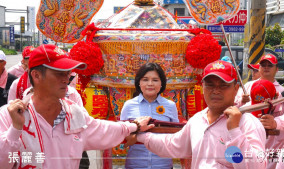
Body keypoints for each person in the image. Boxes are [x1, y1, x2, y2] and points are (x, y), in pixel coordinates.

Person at [0, 44, 154, 169]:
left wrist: (134, 126)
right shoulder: (7, 117)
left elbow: (105, 129)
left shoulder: (75, 115)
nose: (67, 79)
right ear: (36, 75)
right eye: (59, 73)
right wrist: (15, 130)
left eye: (68, 73)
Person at [132, 60, 267, 168]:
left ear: (236, 88)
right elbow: (172, 144)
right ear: (202, 87)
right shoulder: (197, 120)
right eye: (210, 85)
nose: (216, 91)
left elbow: (257, 165)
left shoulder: (247, 123)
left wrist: (235, 131)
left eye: (223, 85)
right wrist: (140, 135)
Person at [120, 63, 179, 169]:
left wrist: (137, 136)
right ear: (139, 83)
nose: (150, 84)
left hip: (163, 165)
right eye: (145, 79)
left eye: (155, 80)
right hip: (135, 165)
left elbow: (176, 136)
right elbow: (121, 133)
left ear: (161, 83)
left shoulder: (170, 106)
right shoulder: (129, 105)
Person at [246, 79, 284, 169]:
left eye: (265, 107)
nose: (261, 113)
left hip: (282, 161)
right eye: (258, 106)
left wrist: (275, 123)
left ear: (275, 96)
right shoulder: (248, 107)